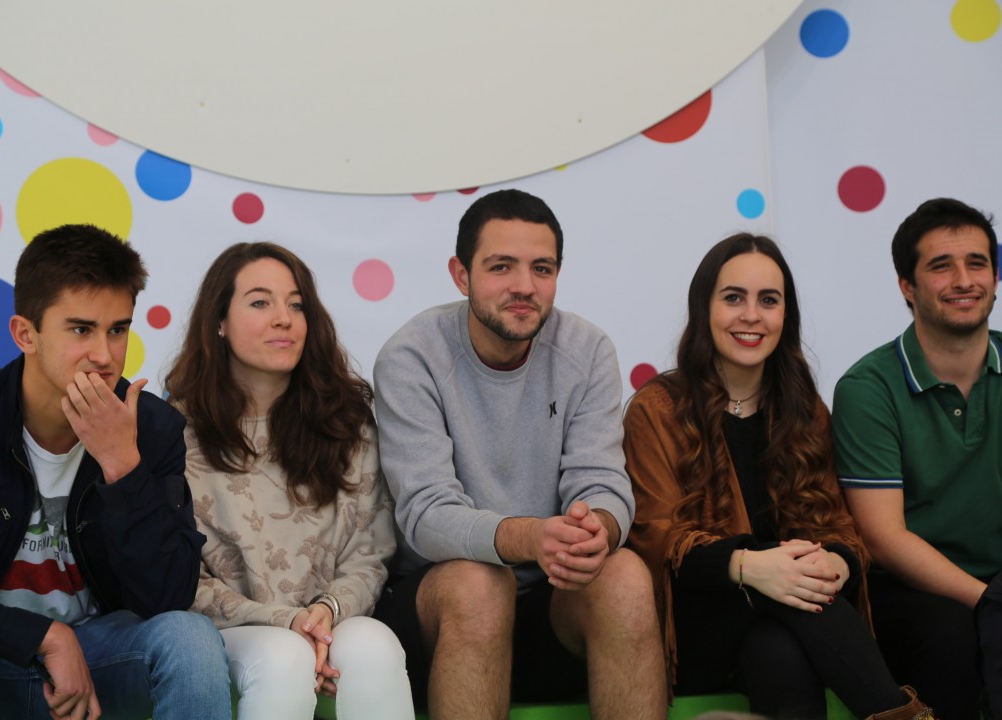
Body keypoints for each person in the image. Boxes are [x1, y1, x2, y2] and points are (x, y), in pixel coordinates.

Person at [372, 188, 666, 720]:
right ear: (461, 275)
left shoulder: (588, 350)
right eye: (501, 266)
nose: (524, 286)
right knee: (480, 583)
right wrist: (532, 536)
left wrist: (595, 529)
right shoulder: (411, 356)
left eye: (542, 268)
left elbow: (602, 482)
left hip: (550, 604)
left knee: (622, 574)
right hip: (442, 610)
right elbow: (426, 515)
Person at [0, 224, 230, 720]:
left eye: (118, 329)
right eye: (81, 330)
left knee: (190, 638)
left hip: (100, 659)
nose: (104, 355)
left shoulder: (151, 429)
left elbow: (168, 597)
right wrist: (44, 637)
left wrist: (122, 466)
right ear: (26, 334)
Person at [623, 233, 932, 719]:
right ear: (704, 308)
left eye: (768, 300)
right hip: (696, 628)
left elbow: (838, 526)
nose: (752, 315)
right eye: (733, 298)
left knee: (780, 649)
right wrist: (752, 566)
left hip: (784, 621)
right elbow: (657, 540)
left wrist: (837, 564)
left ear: (785, 315)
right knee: (797, 599)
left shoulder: (804, 409)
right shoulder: (657, 409)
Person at [166, 242, 414, 720]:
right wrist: (285, 621)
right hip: (233, 631)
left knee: (375, 646)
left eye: (296, 305)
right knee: (284, 658)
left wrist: (324, 613)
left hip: (330, 618)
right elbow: (181, 580)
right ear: (219, 322)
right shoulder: (175, 433)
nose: (284, 319)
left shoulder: (347, 422)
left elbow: (371, 553)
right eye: (260, 302)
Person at [832, 197, 1002, 720]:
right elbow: (884, 538)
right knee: (953, 633)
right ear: (907, 286)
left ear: (996, 277)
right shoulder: (868, 387)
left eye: (977, 263)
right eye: (941, 266)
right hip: (911, 592)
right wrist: (988, 601)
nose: (964, 280)